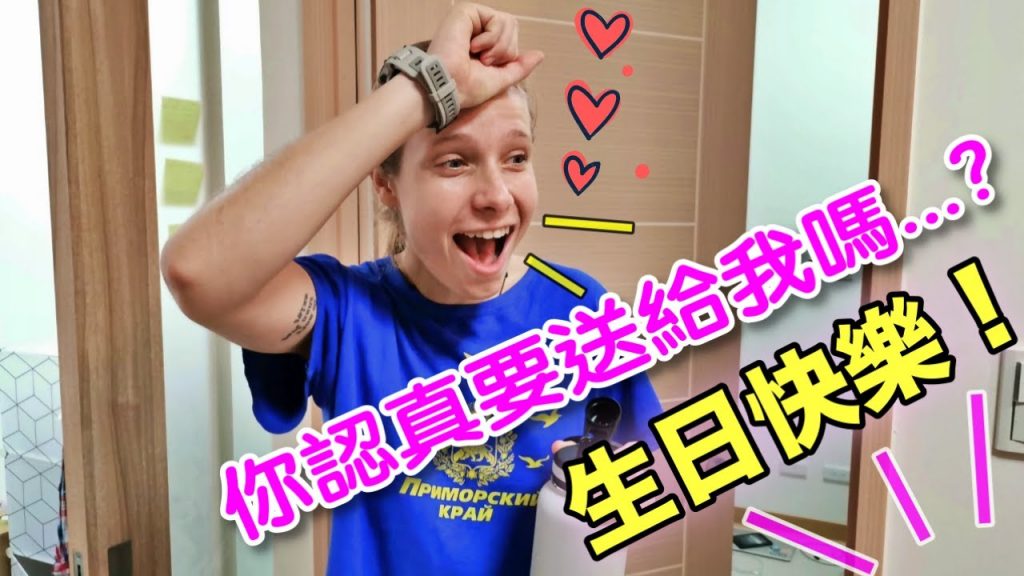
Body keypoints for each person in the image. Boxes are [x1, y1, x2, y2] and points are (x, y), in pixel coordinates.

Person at [161, 3, 662, 574]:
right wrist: (423, 88)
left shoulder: (584, 312)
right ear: (385, 182)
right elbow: (197, 270)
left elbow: (647, 478)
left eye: (516, 157)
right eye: (454, 162)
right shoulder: (346, 316)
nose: (497, 196)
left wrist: (606, 494)